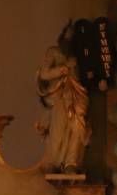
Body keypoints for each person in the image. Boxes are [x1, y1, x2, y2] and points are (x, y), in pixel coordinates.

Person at [35, 44, 90, 173]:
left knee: (77, 126)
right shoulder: (54, 52)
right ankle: (56, 162)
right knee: (58, 131)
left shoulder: (80, 52)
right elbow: (43, 74)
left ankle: (71, 163)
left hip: (76, 94)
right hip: (59, 96)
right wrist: (62, 69)